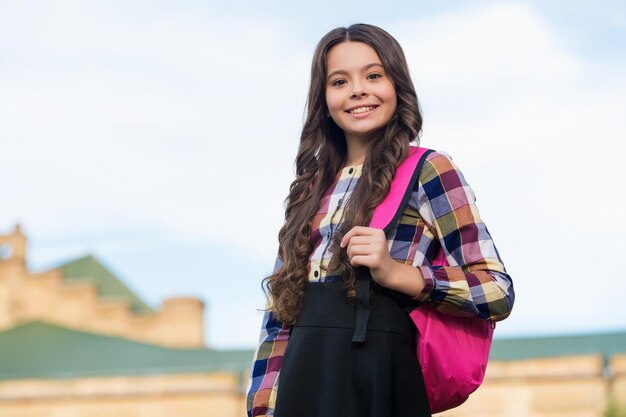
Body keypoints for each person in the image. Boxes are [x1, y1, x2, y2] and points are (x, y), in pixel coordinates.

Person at [246, 23, 514, 417]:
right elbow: (279, 317)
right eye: (339, 81)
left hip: (380, 377)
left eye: (373, 75)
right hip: (303, 382)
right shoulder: (309, 190)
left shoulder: (429, 170)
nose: (357, 89)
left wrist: (399, 274)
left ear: (397, 85)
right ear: (324, 98)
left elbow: (497, 291)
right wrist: (262, 406)